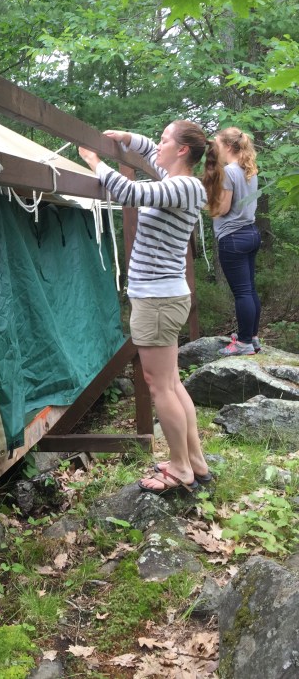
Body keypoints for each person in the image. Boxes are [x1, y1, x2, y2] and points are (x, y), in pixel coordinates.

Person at [79, 122, 224, 494]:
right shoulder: (178, 180)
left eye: (164, 140)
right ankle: (195, 462)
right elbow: (146, 152)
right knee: (171, 384)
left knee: (159, 386)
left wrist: (94, 160)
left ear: (181, 150)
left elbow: (128, 191)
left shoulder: (182, 186)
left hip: (158, 300)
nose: (157, 144)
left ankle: (180, 468)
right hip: (162, 297)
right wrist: (127, 138)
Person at [212, 128, 261, 356]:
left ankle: (243, 343)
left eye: (217, 145)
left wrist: (208, 204)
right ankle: (252, 336)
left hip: (233, 237)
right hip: (251, 233)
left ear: (228, 147)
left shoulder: (228, 172)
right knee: (249, 289)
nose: (215, 149)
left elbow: (223, 208)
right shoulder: (249, 169)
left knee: (242, 292)